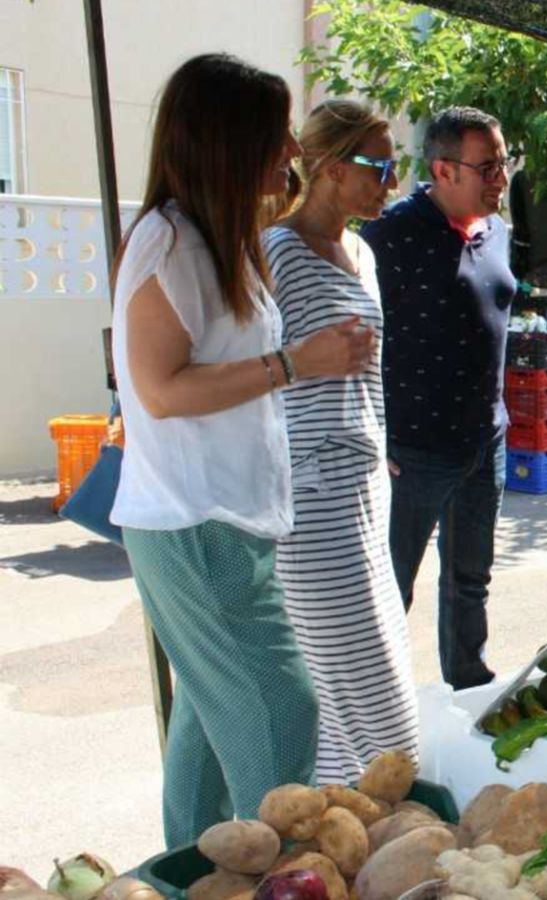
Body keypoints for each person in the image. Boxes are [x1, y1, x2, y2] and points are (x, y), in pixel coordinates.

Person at [111, 54, 375, 844]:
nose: (292, 151)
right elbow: (161, 390)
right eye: (277, 134)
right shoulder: (169, 245)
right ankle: (288, 871)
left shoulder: (220, 238)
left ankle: (187, 872)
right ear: (228, 141)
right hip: (194, 526)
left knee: (204, 721)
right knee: (279, 708)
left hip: (230, 521)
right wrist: (297, 363)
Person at [265, 100, 420, 784]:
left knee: (361, 681)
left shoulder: (361, 250)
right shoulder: (277, 252)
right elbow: (257, 373)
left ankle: (348, 845)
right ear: (328, 168)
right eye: (379, 168)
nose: (391, 183)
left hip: (363, 488)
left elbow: (369, 367)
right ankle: (370, 827)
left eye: (396, 168)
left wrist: (375, 440)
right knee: (368, 694)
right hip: (309, 496)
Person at [361, 107, 517, 690]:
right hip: (414, 450)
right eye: (489, 167)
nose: (500, 178)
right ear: (443, 170)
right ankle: (378, 709)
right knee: (389, 588)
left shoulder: (498, 230)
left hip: (485, 441)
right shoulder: (388, 238)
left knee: (470, 580)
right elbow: (360, 341)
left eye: (504, 163)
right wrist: (377, 437)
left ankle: (469, 689)